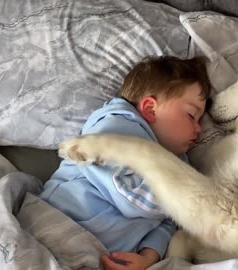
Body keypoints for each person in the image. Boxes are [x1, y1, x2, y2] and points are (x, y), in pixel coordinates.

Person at [40, 56, 211, 270]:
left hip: (99, 256)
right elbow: (129, 195)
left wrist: (149, 257)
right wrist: (191, 199)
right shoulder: (116, 125)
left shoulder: (179, 162)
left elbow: (170, 222)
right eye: (191, 115)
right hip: (55, 228)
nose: (199, 129)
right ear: (150, 109)